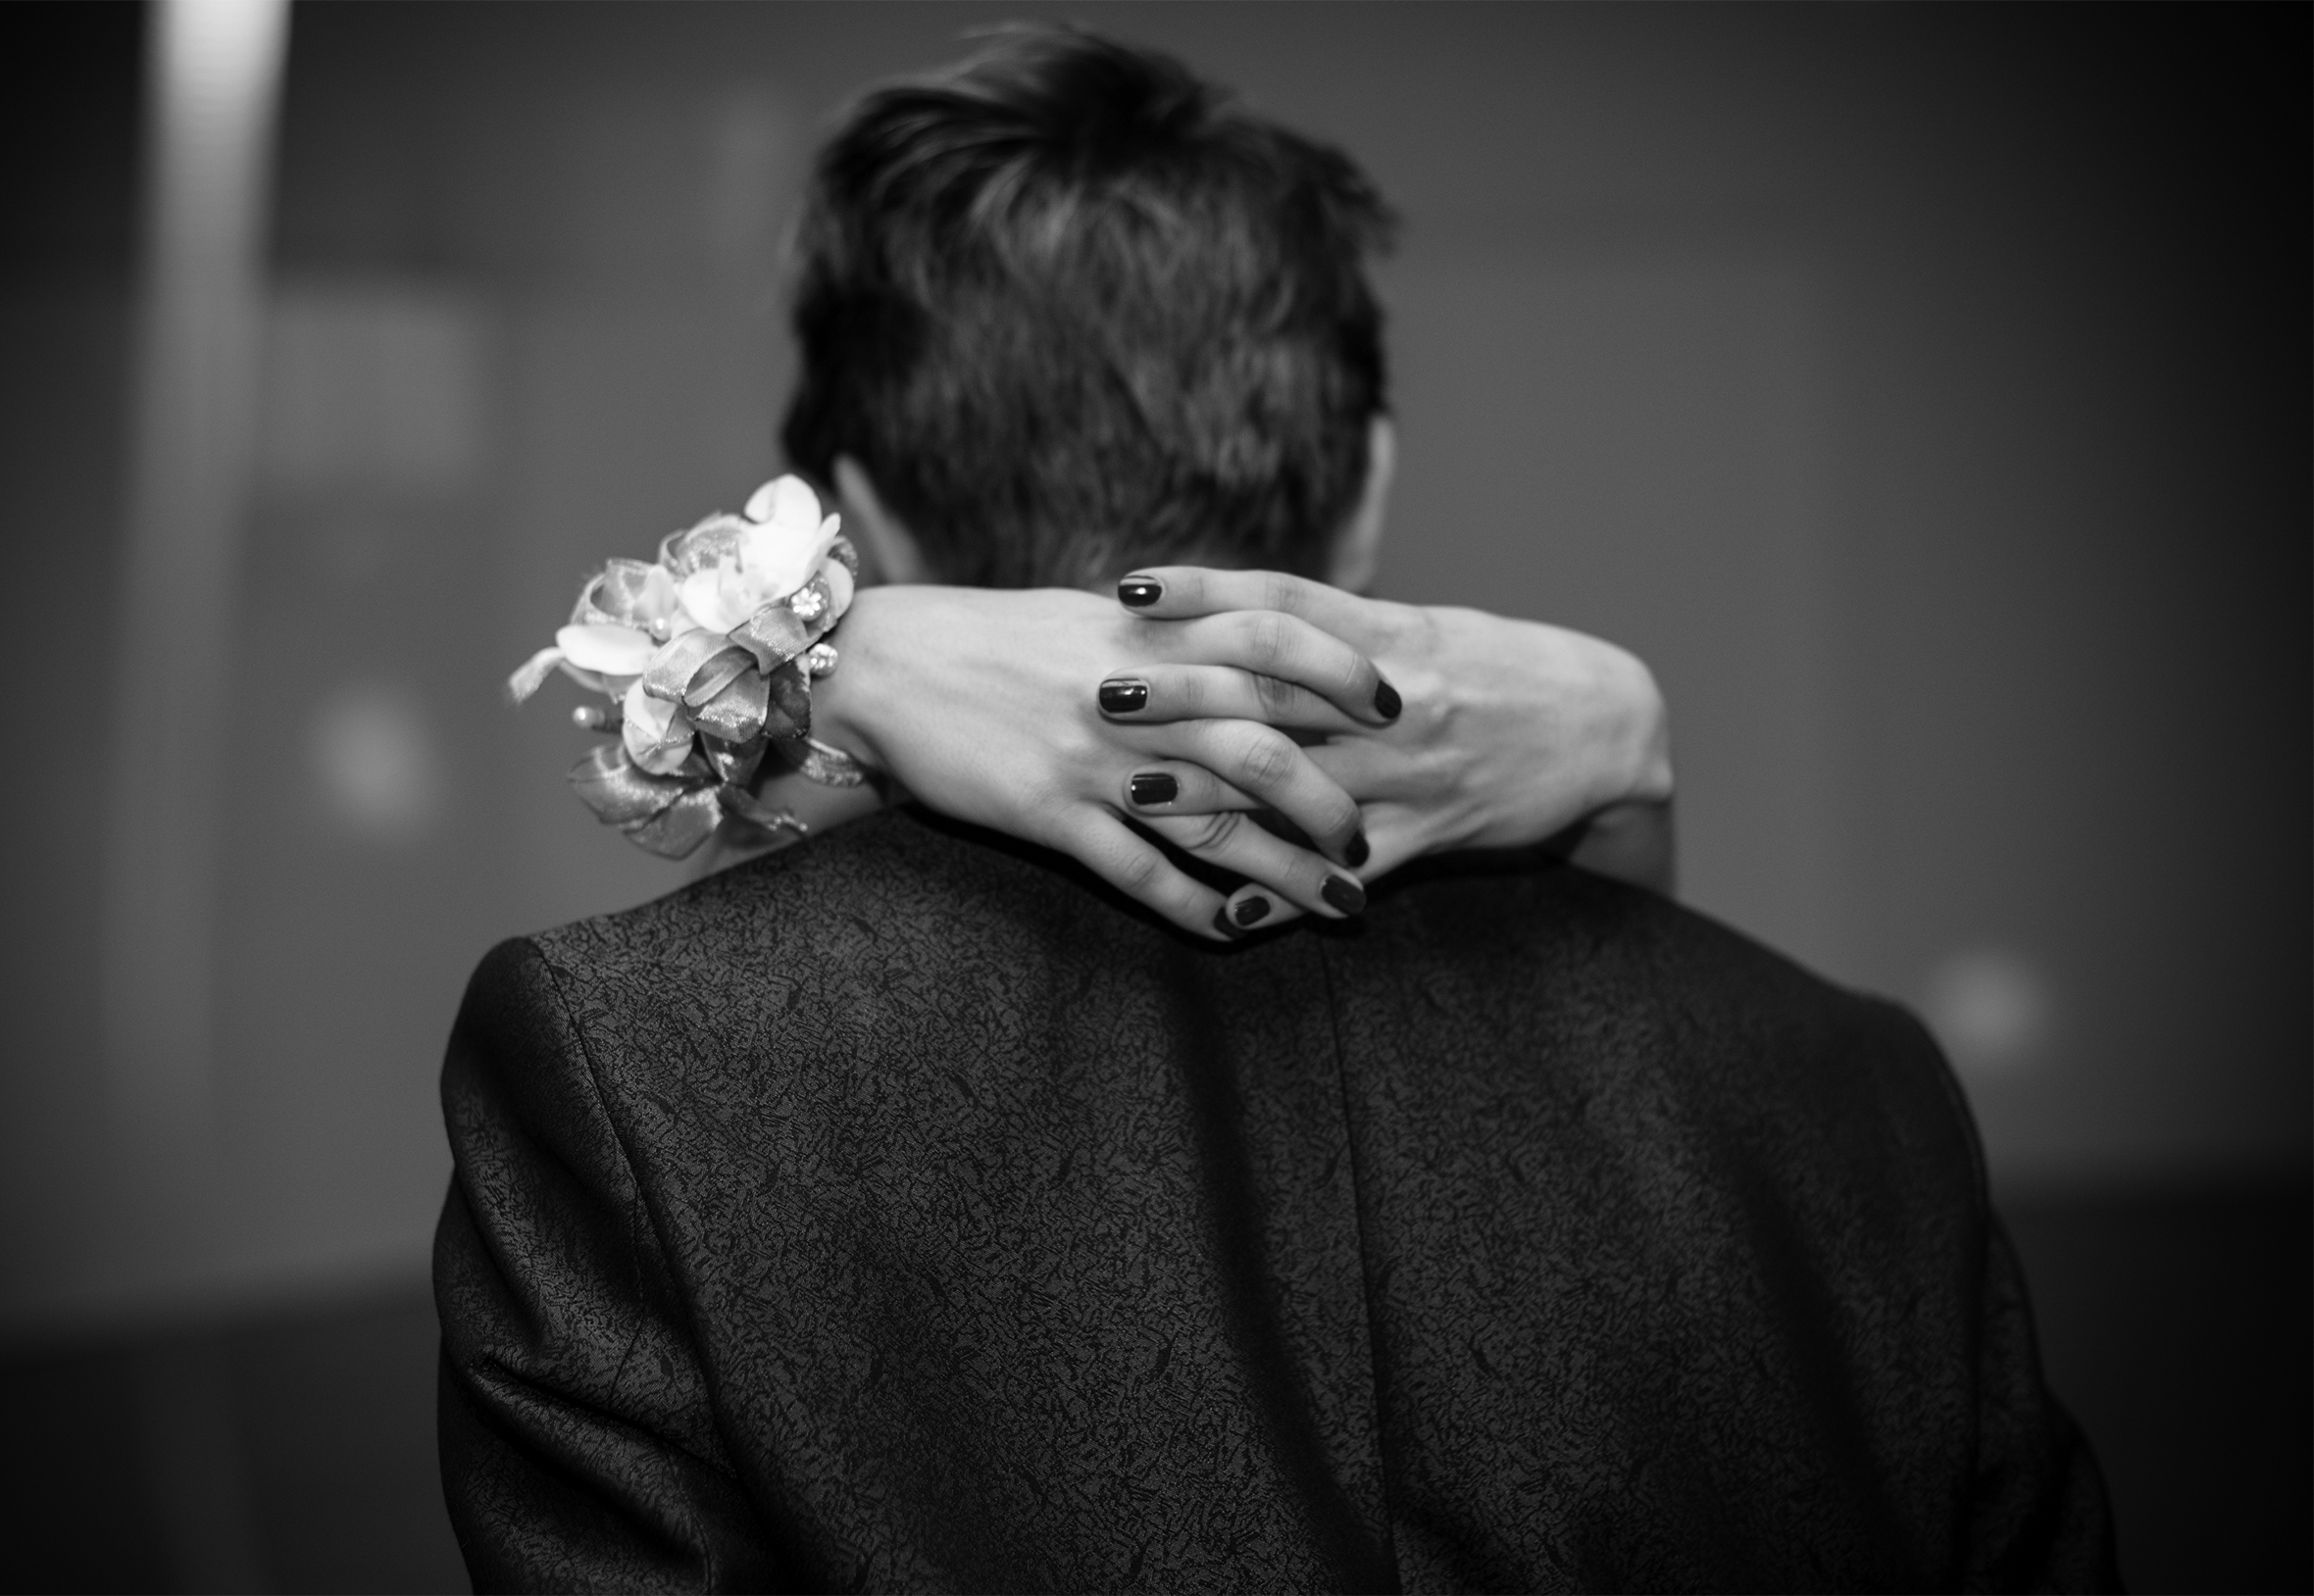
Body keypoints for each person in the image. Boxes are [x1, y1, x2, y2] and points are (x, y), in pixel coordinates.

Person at [435, 27, 2117, 1592]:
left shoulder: (625, 1071)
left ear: (854, 507)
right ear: (1369, 479)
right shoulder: (1851, 1087)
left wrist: (830, 651)